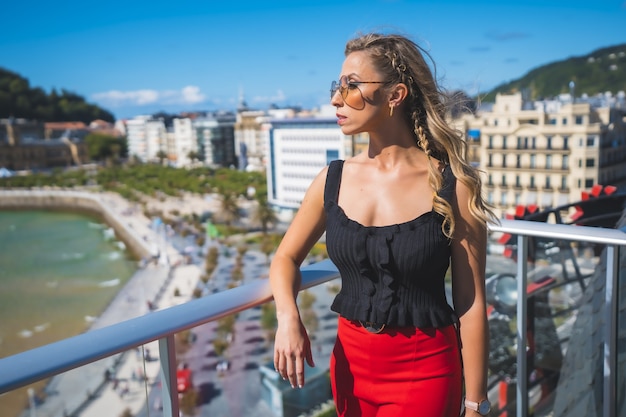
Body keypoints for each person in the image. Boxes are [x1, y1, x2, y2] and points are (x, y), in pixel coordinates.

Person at [269, 32, 497, 417]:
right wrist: (288, 317)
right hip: (349, 368)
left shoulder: (451, 186)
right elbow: (285, 258)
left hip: (423, 372)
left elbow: (470, 304)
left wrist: (475, 405)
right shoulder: (332, 179)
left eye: (352, 86)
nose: (336, 99)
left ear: (396, 95)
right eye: (337, 86)